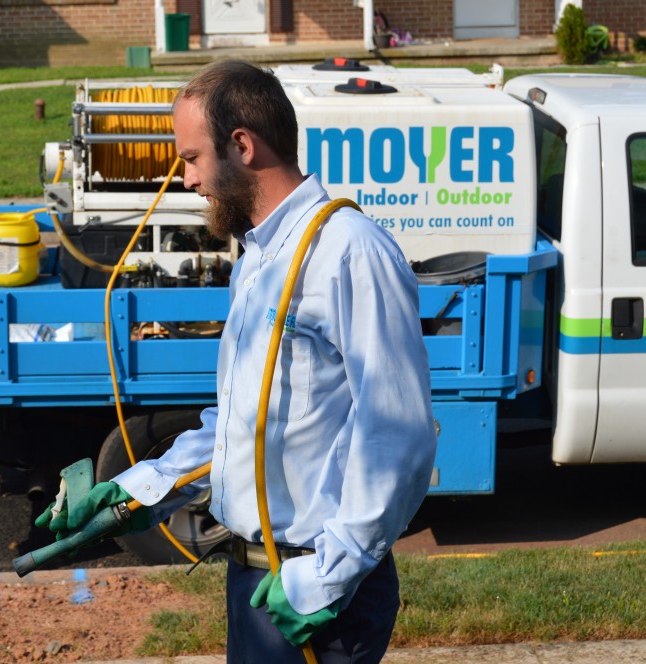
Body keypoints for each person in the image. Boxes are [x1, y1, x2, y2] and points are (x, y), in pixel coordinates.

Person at [38, 59, 435, 663]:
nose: (188, 180)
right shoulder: (257, 257)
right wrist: (135, 492)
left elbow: (398, 435)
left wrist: (327, 578)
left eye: (192, 158)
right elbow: (239, 427)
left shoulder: (349, 252)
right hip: (255, 581)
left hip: (315, 593)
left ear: (242, 146)